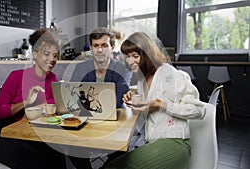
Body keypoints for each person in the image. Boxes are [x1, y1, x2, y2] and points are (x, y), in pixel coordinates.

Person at [102, 32, 207, 169]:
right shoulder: (142, 79)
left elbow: (199, 110)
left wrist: (159, 104)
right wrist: (133, 101)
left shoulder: (170, 74)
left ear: (147, 55)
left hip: (175, 143)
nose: (130, 61)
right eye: (127, 56)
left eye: (135, 56)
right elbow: (148, 113)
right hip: (152, 142)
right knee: (111, 164)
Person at [0, 28, 66, 169]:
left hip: (33, 134)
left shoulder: (52, 78)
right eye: (46, 54)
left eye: (55, 55)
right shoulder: (16, 76)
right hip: (6, 134)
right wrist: (26, 103)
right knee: (37, 164)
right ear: (34, 54)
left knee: (58, 158)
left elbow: (52, 109)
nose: (52, 59)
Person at [69, 27, 132, 108]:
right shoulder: (80, 68)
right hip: (86, 113)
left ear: (112, 48)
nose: (99, 50)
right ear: (91, 48)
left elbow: (118, 100)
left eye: (104, 46)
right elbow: (72, 94)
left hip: (115, 113)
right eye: (96, 46)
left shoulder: (123, 69)